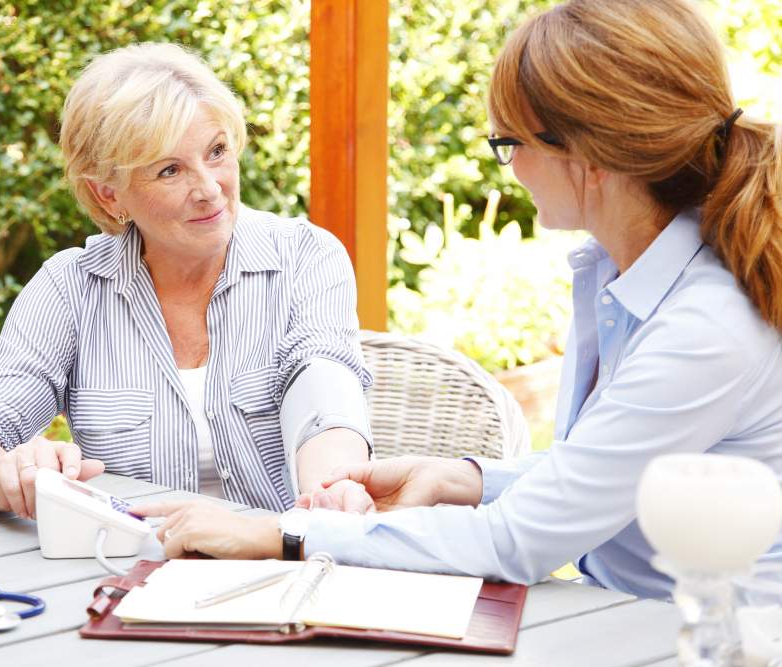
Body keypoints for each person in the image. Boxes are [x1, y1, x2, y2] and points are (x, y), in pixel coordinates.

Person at [134, 0, 782, 599]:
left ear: (589, 156)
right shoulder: (627, 270)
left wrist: (278, 536)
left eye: (511, 145)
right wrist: (464, 479)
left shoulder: (706, 325)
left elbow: (517, 541)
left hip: (714, 638)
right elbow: (605, 470)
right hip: (629, 615)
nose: (512, 167)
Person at [0, 43, 377, 520]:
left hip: (278, 560)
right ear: (108, 194)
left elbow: (324, 390)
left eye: (217, 151)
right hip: (129, 568)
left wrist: (332, 488)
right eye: (170, 169)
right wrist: (7, 476)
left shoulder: (305, 256)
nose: (209, 189)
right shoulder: (71, 288)